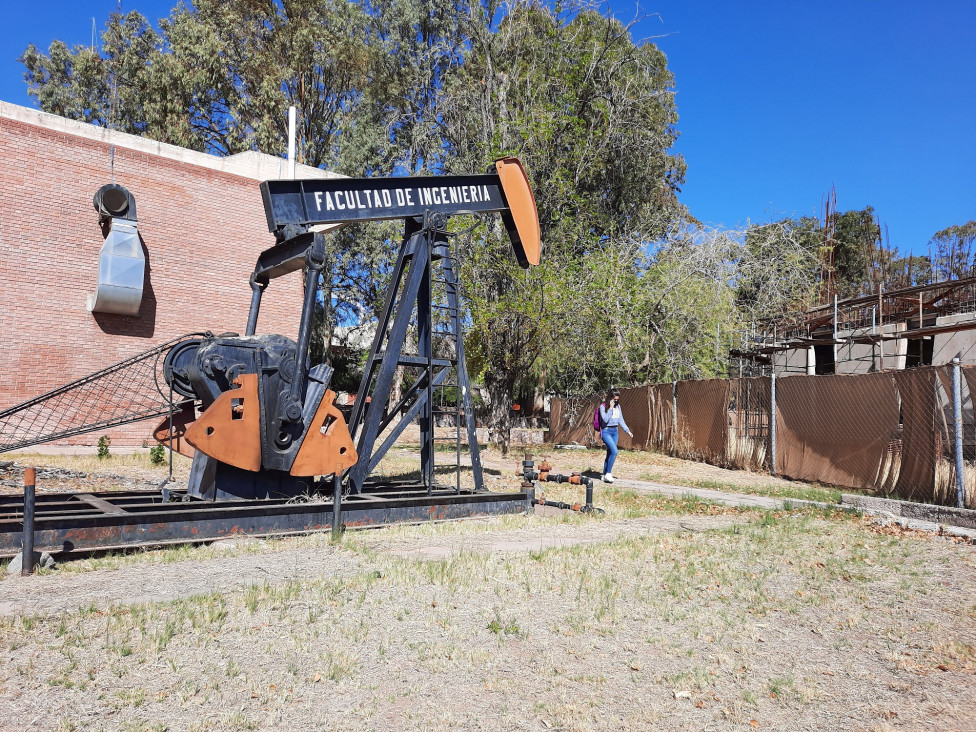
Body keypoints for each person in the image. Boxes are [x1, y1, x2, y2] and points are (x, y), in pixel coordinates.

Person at [598, 388, 632, 483]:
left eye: (617, 399)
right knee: (614, 451)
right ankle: (609, 473)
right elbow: (605, 419)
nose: (616, 401)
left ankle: (604, 474)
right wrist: (610, 409)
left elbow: (620, 420)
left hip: (615, 431)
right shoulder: (603, 406)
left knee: (609, 453)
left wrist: (627, 431)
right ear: (610, 397)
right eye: (614, 399)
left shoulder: (618, 407)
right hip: (606, 431)